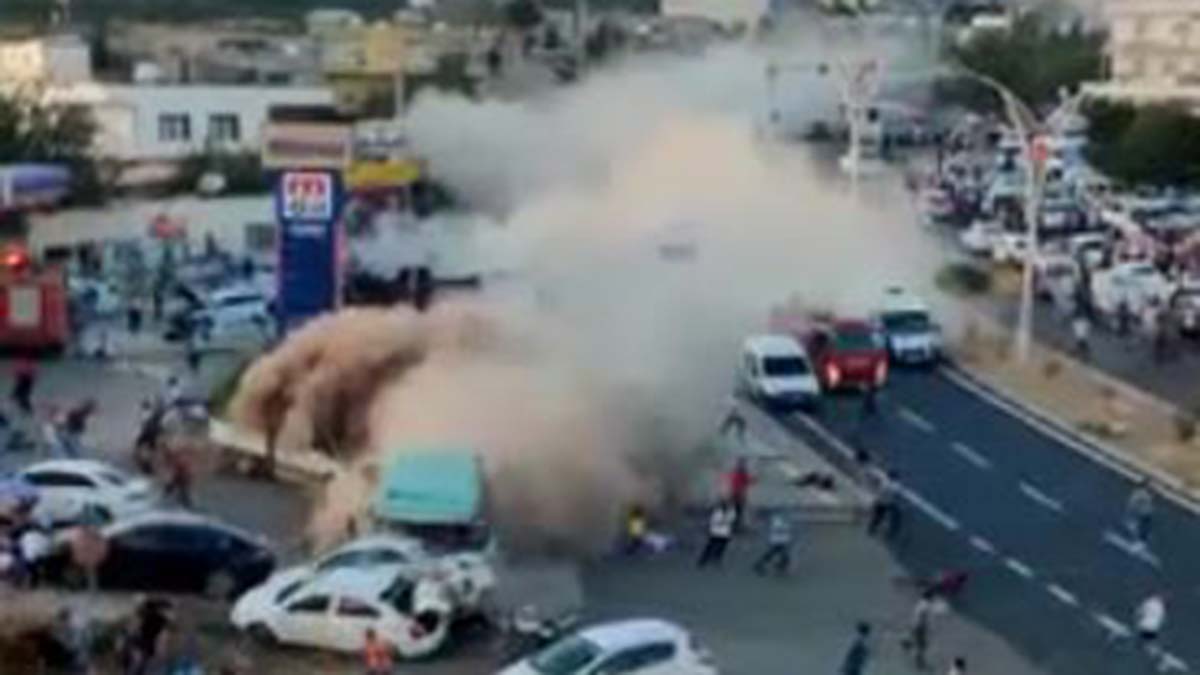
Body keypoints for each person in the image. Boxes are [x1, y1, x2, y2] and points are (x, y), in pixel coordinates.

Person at [752, 510, 794, 576]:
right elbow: (778, 529)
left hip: (781, 539)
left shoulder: (781, 520)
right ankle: (760, 565)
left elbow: (786, 529)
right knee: (777, 553)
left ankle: (779, 566)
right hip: (778, 540)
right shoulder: (777, 520)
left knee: (777, 553)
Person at [696, 501, 736, 568]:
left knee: (722, 547)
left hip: (725, 533)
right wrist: (723, 521)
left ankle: (716, 559)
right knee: (710, 547)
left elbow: (731, 520)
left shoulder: (731, 512)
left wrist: (724, 521)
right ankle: (703, 561)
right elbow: (714, 521)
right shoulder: (717, 512)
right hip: (715, 532)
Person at [902, 590, 935, 670]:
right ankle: (919, 661)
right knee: (922, 645)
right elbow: (923, 616)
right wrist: (926, 627)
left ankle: (906, 643)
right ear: (929, 597)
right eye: (932, 597)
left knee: (914, 637)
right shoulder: (926, 605)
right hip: (920, 627)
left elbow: (919, 614)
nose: (932, 599)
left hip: (915, 624)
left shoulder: (920, 603)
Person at [867, 470, 901, 539]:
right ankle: (872, 529)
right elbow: (896, 492)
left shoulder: (884, 482)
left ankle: (871, 528)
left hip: (880, 501)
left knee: (877, 515)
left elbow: (880, 489)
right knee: (879, 516)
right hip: (885, 503)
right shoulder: (895, 486)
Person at [162, 445, 194, 510]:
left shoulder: (180, 460)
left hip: (181, 478)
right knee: (171, 489)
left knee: (182, 493)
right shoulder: (175, 459)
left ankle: (185, 504)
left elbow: (185, 471)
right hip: (178, 478)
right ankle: (182, 503)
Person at [1135, 593, 1166, 658]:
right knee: (1149, 640)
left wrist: (1137, 622)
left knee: (1145, 640)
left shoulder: (1148, 602)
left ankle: (1150, 649)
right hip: (1153, 627)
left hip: (1143, 625)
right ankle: (1153, 651)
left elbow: (1139, 612)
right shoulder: (1161, 607)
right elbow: (1161, 619)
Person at [1127, 480, 1155, 549]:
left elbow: (1133, 503)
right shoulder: (1141, 493)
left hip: (1143, 513)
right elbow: (1133, 503)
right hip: (1143, 512)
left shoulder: (1141, 494)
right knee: (1140, 526)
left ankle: (1141, 541)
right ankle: (1142, 539)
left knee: (1140, 526)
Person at [725, 458, 752, 529]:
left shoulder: (739, 472)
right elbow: (748, 482)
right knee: (736, 509)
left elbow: (748, 482)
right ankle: (734, 523)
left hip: (738, 494)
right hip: (737, 493)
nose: (741, 465)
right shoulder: (740, 472)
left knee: (737, 509)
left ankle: (735, 523)